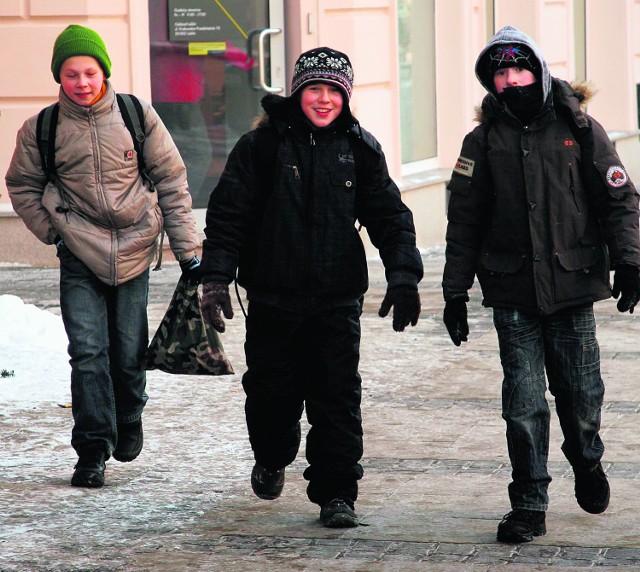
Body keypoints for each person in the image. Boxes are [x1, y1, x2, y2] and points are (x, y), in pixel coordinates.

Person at [199, 47, 423, 527]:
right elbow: (227, 217)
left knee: (337, 398)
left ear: (345, 96)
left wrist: (404, 276)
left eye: (333, 91)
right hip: (272, 300)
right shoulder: (261, 147)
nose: (323, 100)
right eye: (314, 89)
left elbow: (390, 217)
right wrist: (216, 276)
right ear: (299, 91)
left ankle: (336, 492)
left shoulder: (360, 149)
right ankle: (273, 456)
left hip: (336, 300)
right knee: (270, 395)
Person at [442, 24, 640, 543]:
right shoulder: (481, 141)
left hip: (573, 286)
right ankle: (528, 502)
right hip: (512, 291)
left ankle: (587, 459)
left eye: (519, 68)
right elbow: (464, 219)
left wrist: (631, 262)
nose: (511, 80)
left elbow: (618, 201)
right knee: (523, 403)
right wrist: (455, 290)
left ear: (539, 70)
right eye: (501, 72)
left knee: (581, 397)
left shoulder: (580, 126)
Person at [5, 25, 201, 488]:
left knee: (128, 354)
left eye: (89, 72)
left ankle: (129, 414)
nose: (81, 82)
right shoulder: (43, 128)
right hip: (79, 253)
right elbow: (21, 185)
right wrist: (53, 232)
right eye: (71, 74)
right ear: (60, 77)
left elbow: (171, 180)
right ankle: (92, 449)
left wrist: (189, 251)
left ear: (103, 73)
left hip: (134, 250)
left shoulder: (136, 114)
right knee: (88, 352)